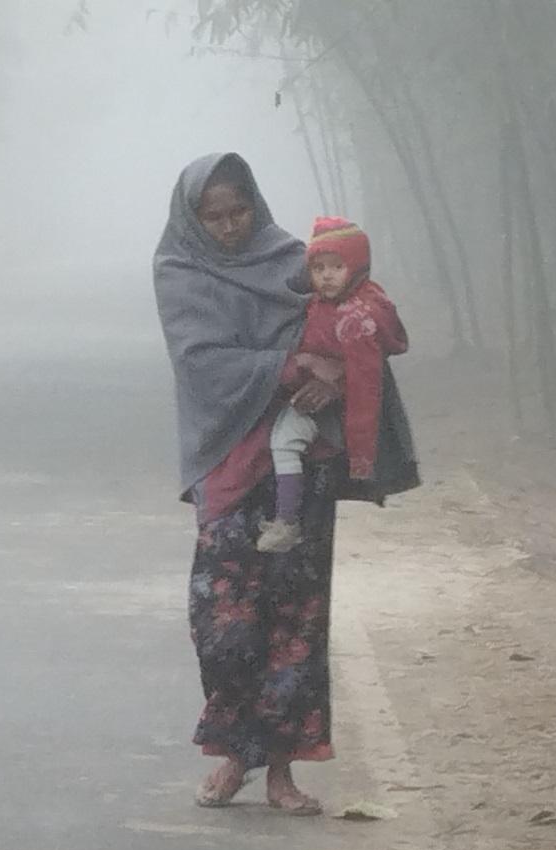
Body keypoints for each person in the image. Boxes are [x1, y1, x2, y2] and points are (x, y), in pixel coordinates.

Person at [154, 153, 419, 815]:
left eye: (237, 210)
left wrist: (333, 367)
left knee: (295, 618)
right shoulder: (180, 270)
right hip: (229, 463)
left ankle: (278, 771)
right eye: (212, 216)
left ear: (258, 204)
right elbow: (201, 362)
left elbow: (355, 311)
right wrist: (289, 362)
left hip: (301, 463)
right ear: (193, 219)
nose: (227, 227)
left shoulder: (296, 261)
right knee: (221, 621)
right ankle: (232, 752)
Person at [256, 217, 409, 553]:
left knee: (284, 441)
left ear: (355, 267)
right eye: (318, 267)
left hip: (342, 405)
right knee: (283, 439)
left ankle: (286, 521)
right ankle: (287, 518)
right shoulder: (321, 303)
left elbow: (367, 388)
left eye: (337, 266)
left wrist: (363, 459)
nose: (326, 276)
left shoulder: (357, 319)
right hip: (319, 393)